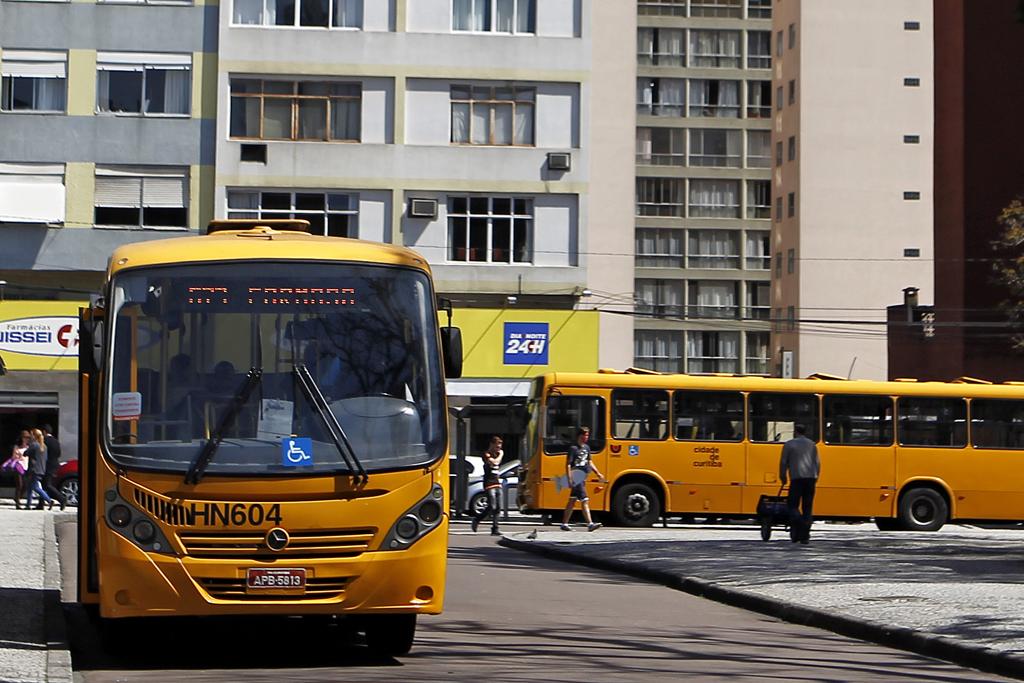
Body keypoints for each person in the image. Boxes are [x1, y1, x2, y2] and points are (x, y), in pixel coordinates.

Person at [779, 423, 820, 545]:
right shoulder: (812, 444)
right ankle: (805, 535)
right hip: (810, 479)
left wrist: (783, 477)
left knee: (792, 505)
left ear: (795, 432)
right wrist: (816, 477)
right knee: (807, 507)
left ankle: (800, 524)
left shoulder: (789, 444)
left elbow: (783, 462)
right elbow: (817, 463)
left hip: (797, 479)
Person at [561, 427, 605, 532]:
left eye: (587, 435)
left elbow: (589, 462)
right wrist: (569, 478)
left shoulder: (587, 448)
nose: (586, 437)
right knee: (585, 500)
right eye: (585, 435)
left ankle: (564, 523)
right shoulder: (573, 449)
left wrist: (598, 473)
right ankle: (590, 524)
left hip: (583, 477)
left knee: (572, 501)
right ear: (579, 436)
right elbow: (568, 464)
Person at [470, 436, 504, 536]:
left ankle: (495, 528)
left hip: (497, 482)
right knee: (491, 506)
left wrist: (500, 454)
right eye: (497, 446)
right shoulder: (486, 454)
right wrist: (501, 454)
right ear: (492, 444)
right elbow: (495, 462)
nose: (499, 449)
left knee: (498, 507)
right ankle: (477, 519)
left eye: (500, 447)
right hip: (489, 483)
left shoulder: (497, 454)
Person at [23, 429, 55, 510]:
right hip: (41, 469)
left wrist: (28, 445)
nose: (30, 437)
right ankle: (28, 505)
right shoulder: (44, 446)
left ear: (34, 436)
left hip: (33, 469)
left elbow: (25, 453)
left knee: (35, 487)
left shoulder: (34, 445)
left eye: (31, 435)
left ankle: (49, 500)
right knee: (30, 487)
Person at [1, 430, 31, 509]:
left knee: (25, 485)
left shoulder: (29, 447)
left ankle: (17, 498)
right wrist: (19, 456)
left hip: (26, 467)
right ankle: (17, 504)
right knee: (19, 485)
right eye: (25, 437)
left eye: (28, 437)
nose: (26, 439)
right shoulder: (17, 446)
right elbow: (13, 456)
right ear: (22, 438)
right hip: (18, 467)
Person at [39, 424, 66, 510]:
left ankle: (61, 499)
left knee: (47, 484)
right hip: (55, 464)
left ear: (44, 432)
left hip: (47, 465)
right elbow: (59, 453)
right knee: (43, 484)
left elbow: (42, 453)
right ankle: (40, 504)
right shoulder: (56, 441)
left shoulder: (45, 441)